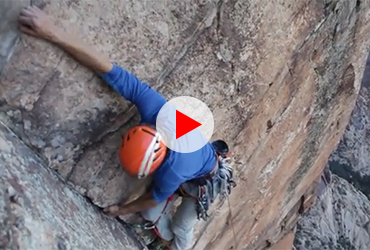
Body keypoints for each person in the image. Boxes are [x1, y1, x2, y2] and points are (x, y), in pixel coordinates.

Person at [17, 5, 235, 250]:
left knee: (180, 228)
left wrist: (121, 210)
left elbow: (153, 197)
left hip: (208, 176)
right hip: (191, 165)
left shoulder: (173, 169)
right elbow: (107, 69)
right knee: (152, 216)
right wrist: (53, 32)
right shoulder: (158, 110)